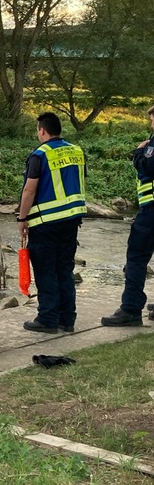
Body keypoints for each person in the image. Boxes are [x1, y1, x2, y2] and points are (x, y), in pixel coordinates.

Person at [18, 112, 86, 334]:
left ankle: (47, 319)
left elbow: (30, 189)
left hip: (46, 222)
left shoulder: (40, 155)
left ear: (42, 130)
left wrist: (22, 217)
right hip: (71, 220)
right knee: (64, 269)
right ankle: (67, 319)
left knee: (46, 270)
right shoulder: (76, 151)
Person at [101, 105, 154, 326]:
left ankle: (131, 309)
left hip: (151, 210)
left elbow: (149, 167)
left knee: (136, 258)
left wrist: (138, 152)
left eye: (153, 121)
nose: (151, 125)